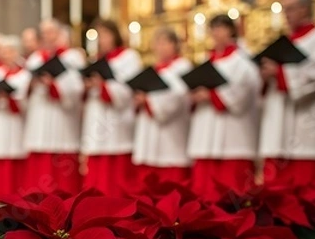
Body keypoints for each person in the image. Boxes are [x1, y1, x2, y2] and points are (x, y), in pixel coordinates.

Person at [259, 0, 315, 185]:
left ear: (305, 8)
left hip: (307, 128)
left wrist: (279, 73)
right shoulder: (285, 42)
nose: (286, 14)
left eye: (291, 9)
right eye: (284, 9)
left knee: (308, 192)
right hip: (279, 130)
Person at [187, 14, 261, 200]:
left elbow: (245, 90)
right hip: (206, 132)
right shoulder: (207, 60)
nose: (216, 33)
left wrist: (212, 95)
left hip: (233, 135)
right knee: (204, 192)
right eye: (213, 29)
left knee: (232, 192)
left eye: (220, 28)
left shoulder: (242, 60)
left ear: (231, 31)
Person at [81, 18, 142, 197]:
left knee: (115, 167)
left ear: (115, 35)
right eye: (99, 36)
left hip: (117, 118)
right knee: (96, 163)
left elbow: (129, 88)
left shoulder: (129, 57)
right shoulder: (96, 59)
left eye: (105, 34)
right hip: (97, 113)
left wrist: (104, 86)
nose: (102, 40)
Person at [23, 21, 85, 195]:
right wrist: (32, 83)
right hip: (40, 113)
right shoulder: (36, 57)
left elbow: (76, 89)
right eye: (44, 33)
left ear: (62, 34)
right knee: (39, 154)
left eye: (52, 32)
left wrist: (55, 85)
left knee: (61, 157)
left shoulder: (73, 57)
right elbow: (22, 89)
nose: (47, 37)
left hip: (61, 117)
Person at [132, 27, 193, 184]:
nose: (160, 47)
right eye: (157, 43)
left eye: (165, 43)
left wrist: (148, 100)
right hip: (149, 133)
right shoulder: (153, 69)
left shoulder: (182, 67)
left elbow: (178, 96)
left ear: (175, 45)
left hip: (171, 136)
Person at [0, 35, 31, 196]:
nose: (6, 55)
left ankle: (15, 192)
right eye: (4, 52)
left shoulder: (24, 74)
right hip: (0, 118)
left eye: (10, 51)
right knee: (1, 152)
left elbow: (24, 100)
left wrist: (10, 98)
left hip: (15, 120)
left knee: (14, 152)